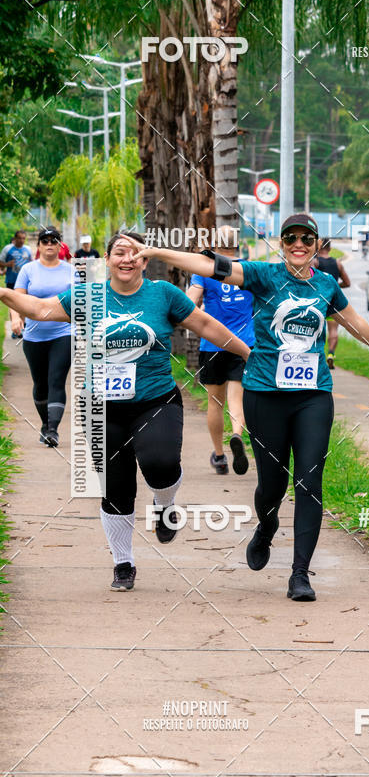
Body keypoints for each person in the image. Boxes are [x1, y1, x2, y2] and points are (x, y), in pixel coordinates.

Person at [126, 213, 369, 602]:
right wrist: (154, 250)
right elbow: (210, 265)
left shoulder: (326, 285)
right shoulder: (264, 276)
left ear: (317, 244)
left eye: (306, 238)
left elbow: (349, 318)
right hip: (265, 394)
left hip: (312, 396)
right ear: (281, 244)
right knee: (271, 485)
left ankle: (300, 574)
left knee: (309, 483)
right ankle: (266, 526)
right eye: (290, 239)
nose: (298, 244)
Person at [0, 231, 251, 592]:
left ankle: (165, 506)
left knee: (160, 462)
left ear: (146, 261)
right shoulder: (88, 296)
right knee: (116, 488)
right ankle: (123, 563)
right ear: (107, 260)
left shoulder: (163, 294)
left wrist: (248, 354)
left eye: (136, 254)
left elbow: (206, 324)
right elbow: (40, 309)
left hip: (155, 399)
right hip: (102, 408)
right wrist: (5, 293)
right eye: (120, 253)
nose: (127, 259)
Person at [187, 226, 254, 476]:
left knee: (215, 403)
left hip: (212, 344)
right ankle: (236, 435)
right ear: (238, 244)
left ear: (215, 243)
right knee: (238, 399)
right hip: (244, 344)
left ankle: (219, 455)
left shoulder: (205, 269)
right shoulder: (248, 269)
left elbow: (190, 302)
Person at [14, 227, 73, 447]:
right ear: (39, 246)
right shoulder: (28, 270)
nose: (49, 244)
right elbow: (15, 299)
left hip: (64, 333)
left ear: (60, 245)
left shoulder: (72, 271)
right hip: (34, 336)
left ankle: (53, 430)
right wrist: (16, 319)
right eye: (45, 241)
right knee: (40, 385)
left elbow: (83, 299)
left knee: (56, 379)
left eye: (54, 241)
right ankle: (45, 424)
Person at [316, 238, 351, 370]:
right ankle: (330, 354)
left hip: (317, 302)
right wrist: (335, 287)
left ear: (318, 248)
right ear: (330, 249)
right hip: (332, 302)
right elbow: (347, 283)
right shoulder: (337, 263)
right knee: (333, 331)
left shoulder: (316, 262)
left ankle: (316, 357)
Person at [0, 230, 33, 338]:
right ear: (15, 239)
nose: (22, 240)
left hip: (25, 282)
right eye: (20, 238)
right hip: (11, 280)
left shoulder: (27, 249)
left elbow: (32, 263)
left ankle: (22, 327)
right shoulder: (8, 249)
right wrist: (7, 264)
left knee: (23, 305)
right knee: (13, 305)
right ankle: (15, 329)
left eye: (24, 238)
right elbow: (0, 262)